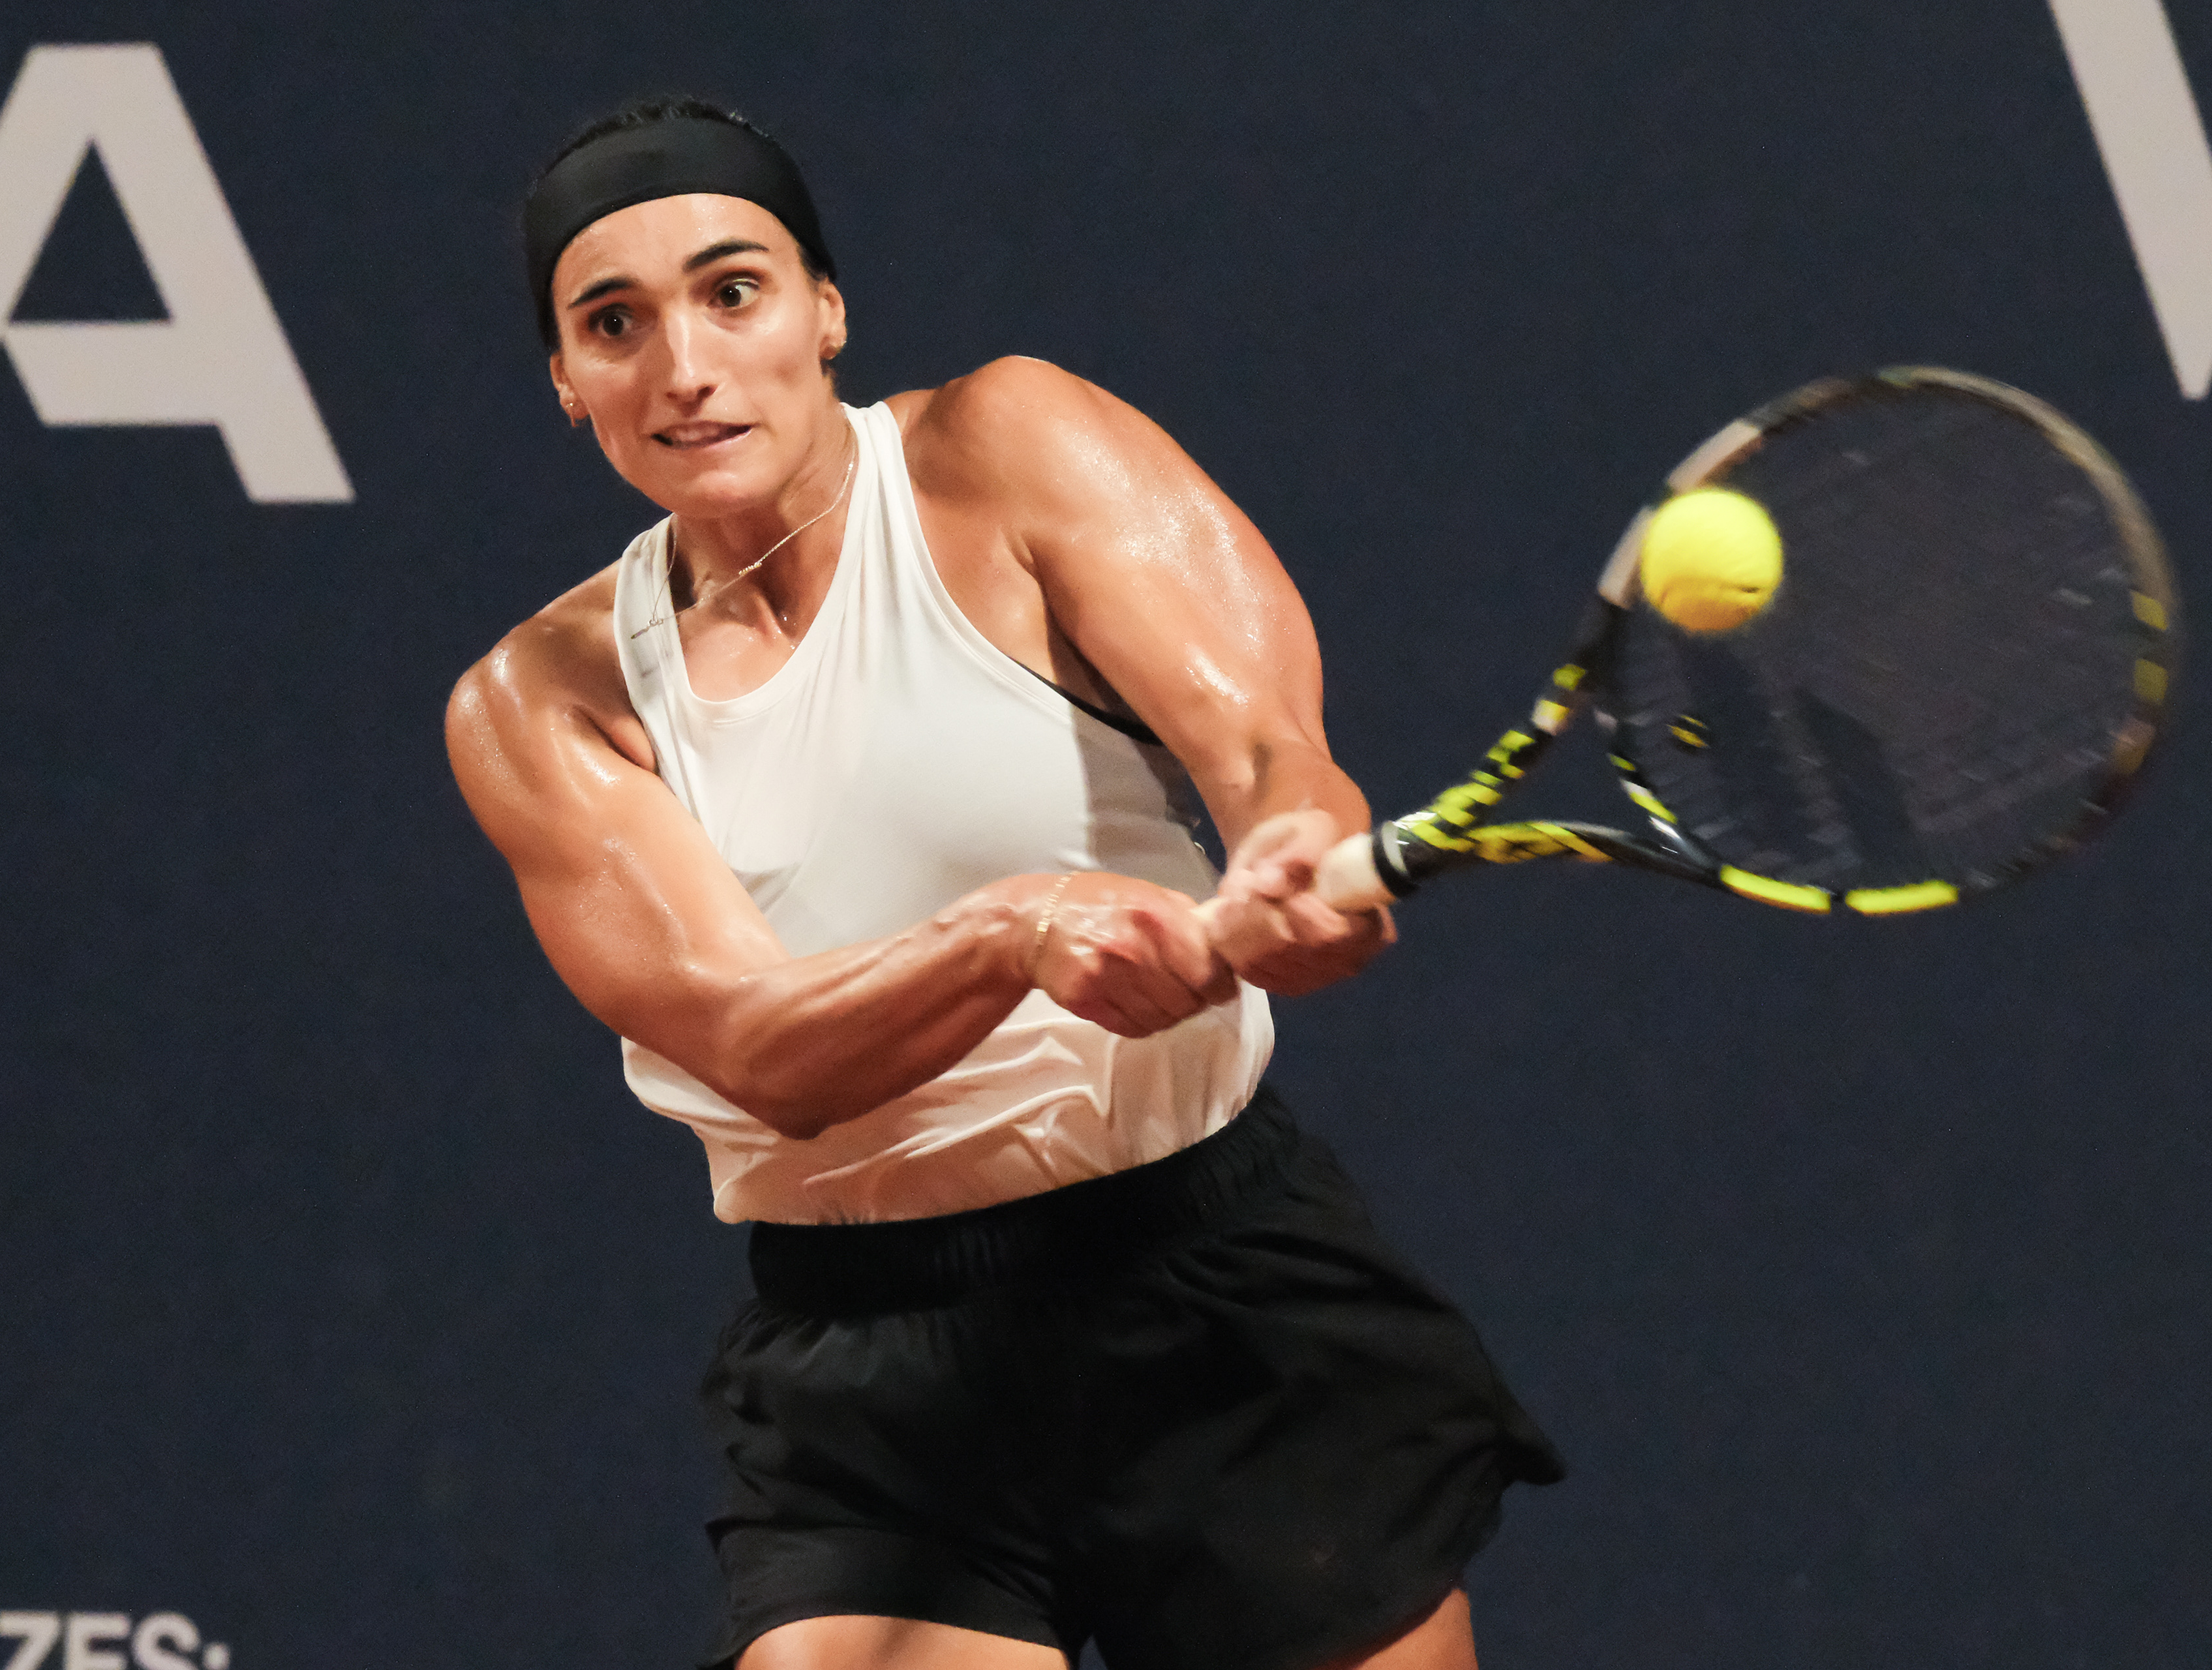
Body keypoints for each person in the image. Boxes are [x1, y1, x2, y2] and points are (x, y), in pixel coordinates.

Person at [447, 97, 1562, 1670]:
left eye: (732, 289)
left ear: (825, 311)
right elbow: (762, 1049)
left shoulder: (1010, 445)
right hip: (876, 1367)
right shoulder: (540, 699)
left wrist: (1294, 848)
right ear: (569, 382)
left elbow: (1263, 748)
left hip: (1220, 1291)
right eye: (612, 322)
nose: (684, 366)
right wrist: (1012, 934)